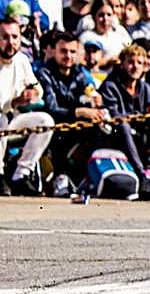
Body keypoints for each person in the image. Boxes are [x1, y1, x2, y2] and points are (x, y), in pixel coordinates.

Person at [98, 43, 150, 194]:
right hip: (117, 135)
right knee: (124, 126)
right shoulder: (110, 85)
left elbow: (149, 110)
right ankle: (141, 174)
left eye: (139, 63)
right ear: (122, 65)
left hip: (140, 133)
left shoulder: (145, 87)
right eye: (130, 62)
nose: (135, 67)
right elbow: (115, 117)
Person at [35, 32, 101, 193]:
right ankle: (61, 177)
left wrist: (95, 101)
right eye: (63, 51)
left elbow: (89, 93)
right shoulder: (45, 73)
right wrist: (79, 111)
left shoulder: (79, 73)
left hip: (76, 123)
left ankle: (91, 175)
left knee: (102, 129)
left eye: (72, 52)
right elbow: (51, 109)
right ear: (54, 52)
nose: (68, 56)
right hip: (54, 125)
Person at [0, 17, 53, 195]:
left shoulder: (21, 60)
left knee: (45, 121)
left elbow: (37, 87)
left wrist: (33, 93)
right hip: (2, 118)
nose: (11, 42)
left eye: (15, 37)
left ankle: (21, 174)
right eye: (5, 37)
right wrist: (14, 102)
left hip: (12, 118)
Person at [77, 0, 131, 70]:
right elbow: (79, 61)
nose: (105, 19)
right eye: (101, 15)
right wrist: (106, 62)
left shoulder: (119, 35)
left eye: (109, 15)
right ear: (94, 17)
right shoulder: (85, 37)